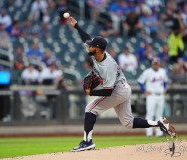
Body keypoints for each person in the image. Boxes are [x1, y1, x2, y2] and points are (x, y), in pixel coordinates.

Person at [66, 16, 176, 152]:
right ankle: (159, 123)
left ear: (98, 49)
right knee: (128, 123)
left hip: (117, 90)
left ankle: (87, 141)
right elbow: (87, 38)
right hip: (123, 88)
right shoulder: (97, 52)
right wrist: (77, 26)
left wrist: (91, 92)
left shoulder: (108, 67)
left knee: (90, 108)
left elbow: (108, 92)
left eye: (93, 45)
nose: (90, 46)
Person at [137, 57, 169, 137]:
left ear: (159, 64)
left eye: (157, 64)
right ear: (152, 64)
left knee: (160, 115)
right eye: (154, 64)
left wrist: (165, 89)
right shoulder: (147, 72)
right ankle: (149, 133)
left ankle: (159, 133)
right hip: (151, 95)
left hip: (160, 95)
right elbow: (140, 81)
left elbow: (165, 81)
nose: (156, 65)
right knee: (150, 114)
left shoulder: (163, 71)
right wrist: (144, 90)